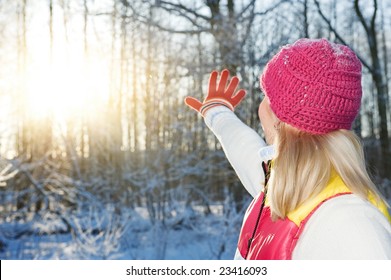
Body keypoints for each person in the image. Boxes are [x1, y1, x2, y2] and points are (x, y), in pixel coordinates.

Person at [184, 38, 391, 260]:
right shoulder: (286, 182)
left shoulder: (352, 224)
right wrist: (217, 112)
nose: (260, 105)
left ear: (278, 119)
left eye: (266, 95)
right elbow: (245, 150)